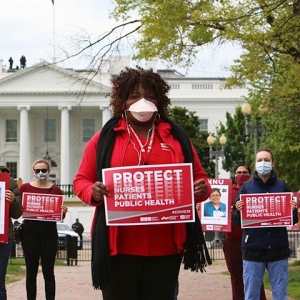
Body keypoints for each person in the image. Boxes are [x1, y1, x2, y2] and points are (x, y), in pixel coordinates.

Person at [73, 66, 212, 300]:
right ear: (122, 101)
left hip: (166, 247)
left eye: (149, 95)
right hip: (118, 247)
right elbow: (81, 181)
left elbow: (200, 179)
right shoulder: (103, 139)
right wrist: (93, 191)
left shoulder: (176, 138)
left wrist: (200, 188)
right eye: (135, 96)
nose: (143, 102)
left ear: (159, 100)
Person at [232, 148, 298, 300]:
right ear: (255, 164)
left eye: (266, 160)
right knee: (251, 295)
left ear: (273, 163)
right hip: (253, 250)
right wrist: (238, 210)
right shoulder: (246, 189)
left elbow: (292, 219)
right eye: (260, 160)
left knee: (280, 295)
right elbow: (235, 220)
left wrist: (293, 211)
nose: (263, 163)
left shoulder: (282, 187)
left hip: (278, 250)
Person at [20, 158, 68, 300]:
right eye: (37, 170)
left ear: (49, 171)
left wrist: (63, 212)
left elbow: (58, 216)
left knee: (49, 272)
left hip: (49, 233)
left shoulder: (56, 190)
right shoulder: (25, 188)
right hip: (30, 232)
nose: (40, 173)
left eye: (43, 170)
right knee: (31, 272)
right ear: (33, 171)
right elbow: (18, 210)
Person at [223, 163, 266, 300]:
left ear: (249, 174)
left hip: (252, 239)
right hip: (232, 240)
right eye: (238, 172)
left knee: (255, 276)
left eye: (244, 172)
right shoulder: (227, 191)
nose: (241, 175)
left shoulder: (256, 190)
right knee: (236, 278)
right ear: (234, 175)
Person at [0, 166, 22, 300]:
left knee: (0, 281)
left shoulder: (8, 181)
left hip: (3, 237)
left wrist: (13, 201)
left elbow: (18, 213)